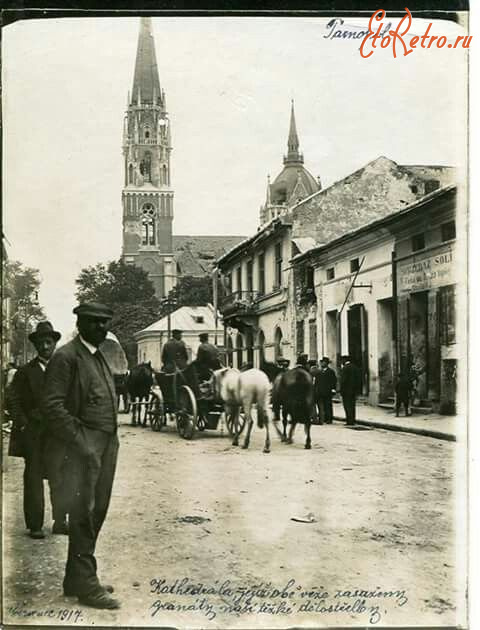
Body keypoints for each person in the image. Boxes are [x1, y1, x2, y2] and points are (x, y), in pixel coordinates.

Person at [42, 302, 120, 610]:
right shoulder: (66, 356)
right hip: (83, 449)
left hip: (105, 445)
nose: (103, 328)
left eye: (105, 322)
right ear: (82, 323)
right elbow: (52, 406)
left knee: (97, 510)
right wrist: (82, 442)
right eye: (96, 323)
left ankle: (76, 577)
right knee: (84, 513)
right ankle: (86, 585)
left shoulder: (97, 355)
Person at [7, 321, 67, 539]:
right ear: (35, 345)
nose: (44, 347)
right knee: (33, 477)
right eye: (40, 343)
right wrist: (23, 422)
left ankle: (61, 521)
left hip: (58, 433)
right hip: (33, 433)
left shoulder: (64, 369)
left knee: (60, 475)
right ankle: (35, 525)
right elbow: (12, 399)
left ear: (54, 343)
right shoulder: (25, 372)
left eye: (48, 342)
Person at [339, 355, 362, 426]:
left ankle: (349, 421)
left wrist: (340, 390)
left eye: (342, 360)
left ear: (344, 360)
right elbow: (359, 380)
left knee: (347, 406)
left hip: (346, 391)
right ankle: (352, 420)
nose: (341, 362)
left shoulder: (345, 368)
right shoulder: (355, 367)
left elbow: (343, 381)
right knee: (352, 406)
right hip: (353, 391)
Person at [314, 357, 337, 424]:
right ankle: (324, 418)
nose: (322, 363)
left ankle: (329, 419)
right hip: (320, 391)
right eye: (321, 362)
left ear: (327, 363)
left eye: (323, 362)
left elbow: (333, 381)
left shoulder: (330, 372)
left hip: (327, 391)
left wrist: (333, 389)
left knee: (328, 405)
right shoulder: (319, 372)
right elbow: (316, 382)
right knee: (322, 406)